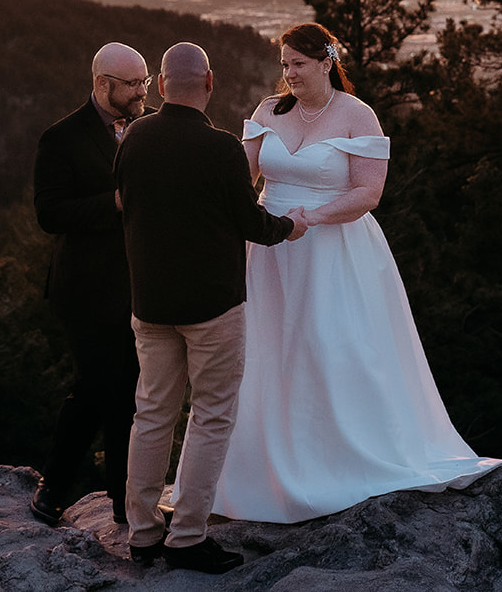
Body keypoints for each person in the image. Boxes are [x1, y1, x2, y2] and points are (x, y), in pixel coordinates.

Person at [211, 22, 502, 523]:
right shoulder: (268, 111)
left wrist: (309, 220)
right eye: (284, 65)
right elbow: (244, 180)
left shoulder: (357, 115)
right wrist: (262, 223)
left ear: (326, 63)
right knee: (270, 348)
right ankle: (267, 468)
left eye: (298, 64)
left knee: (330, 344)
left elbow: (369, 193)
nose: (289, 74)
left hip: (333, 249)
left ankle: (339, 459)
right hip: (271, 251)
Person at [117, 42, 308, 573]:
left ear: (159, 86)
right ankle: (187, 537)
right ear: (209, 83)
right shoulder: (221, 149)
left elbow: (125, 204)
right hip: (211, 306)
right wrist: (292, 226)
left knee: (151, 413)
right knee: (210, 415)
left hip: (150, 303)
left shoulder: (134, 138)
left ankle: (142, 532)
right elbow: (252, 225)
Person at [30, 41, 152, 526]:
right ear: (103, 85)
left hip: (142, 282)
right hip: (84, 288)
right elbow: (49, 213)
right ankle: (55, 486)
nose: (143, 91)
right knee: (98, 385)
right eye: (133, 84)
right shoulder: (61, 138)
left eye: (145, 81)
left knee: (132, 391)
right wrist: (115, 203)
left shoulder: (151, 127)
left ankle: (125, 503)